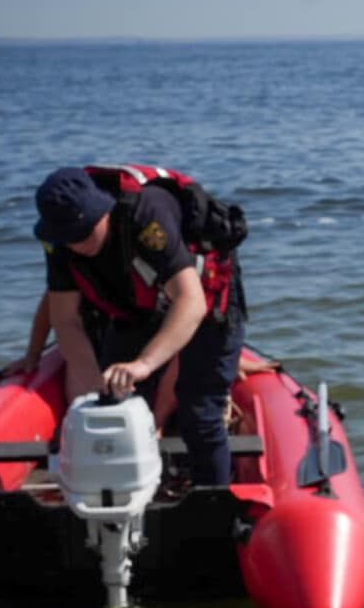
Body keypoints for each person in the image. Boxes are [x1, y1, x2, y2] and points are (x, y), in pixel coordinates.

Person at [31, 165, 245, 486]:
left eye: (85, 232)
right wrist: (95, 384)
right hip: (135, 304)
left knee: (200, 413)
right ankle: (124, 499)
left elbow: (191, 301)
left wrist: (145, 363)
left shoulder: (145, 215)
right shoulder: (60, 241)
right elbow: (65, 319)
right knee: (111, 406)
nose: (77, 244)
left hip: (203, 296)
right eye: (69, 239)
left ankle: (214, 503)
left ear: (102, 212)